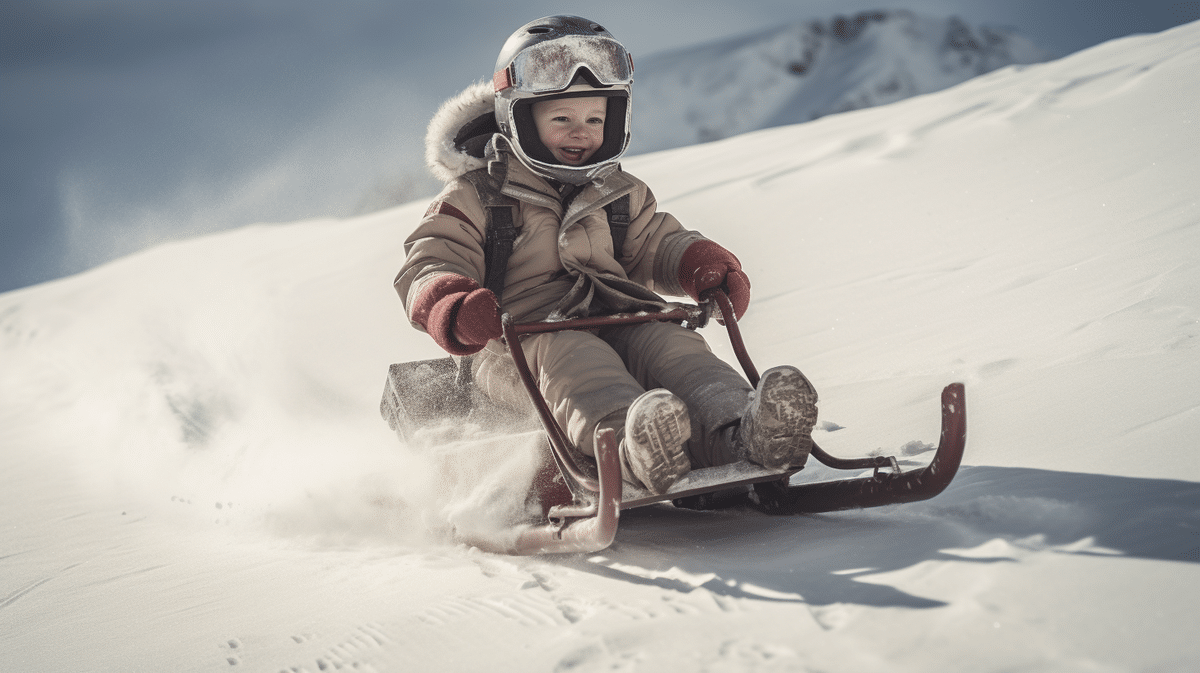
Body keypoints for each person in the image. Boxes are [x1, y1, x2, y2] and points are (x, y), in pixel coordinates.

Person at [395, 15, 818, 495]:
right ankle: (629, 452)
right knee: (577, 358)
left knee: (673, 346)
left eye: (595, 120)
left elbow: (655, 241)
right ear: (519, 120)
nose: (580, 132)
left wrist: (696, 263)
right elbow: (431, 260)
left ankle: (742, 432)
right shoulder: (478, 196)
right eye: (561, 119)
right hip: (519, 348)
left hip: (621, 317)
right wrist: (453, 303)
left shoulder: (618, 192)